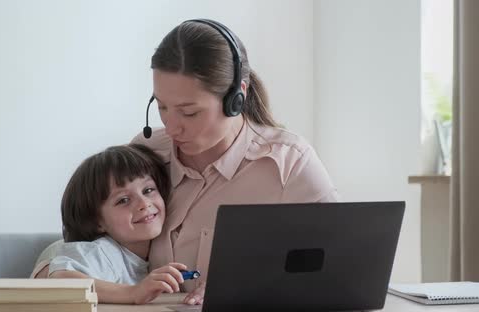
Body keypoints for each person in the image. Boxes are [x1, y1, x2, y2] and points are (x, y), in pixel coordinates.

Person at [35, 18, 338, 305]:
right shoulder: (147, 151)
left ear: (237, 97)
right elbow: (84, 247)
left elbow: (337, 270)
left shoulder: (289, 166)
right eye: (162, 106)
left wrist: (252, 286)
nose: (172, 126)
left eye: (189, 112)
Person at [34, 144, 190, 304]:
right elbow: (59, 280)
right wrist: (133, 293)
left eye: (148, 190)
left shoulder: (149, 256)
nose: (144, 203)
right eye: (123, 200)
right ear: (97, 221)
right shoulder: (102, 252)